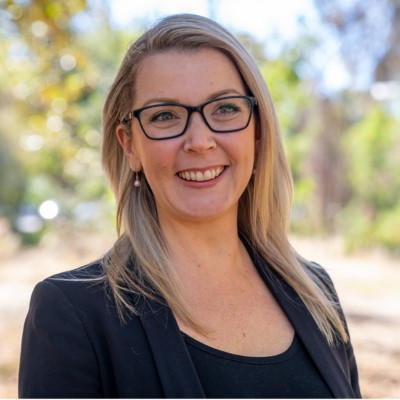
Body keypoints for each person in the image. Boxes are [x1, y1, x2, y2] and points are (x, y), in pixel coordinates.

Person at [19, 13, 361, 398]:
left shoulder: (315, 292)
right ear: (130, 145)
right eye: (165, 116)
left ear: (258, 131)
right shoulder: (73, 313)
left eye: (225, 109)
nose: (200, 141)